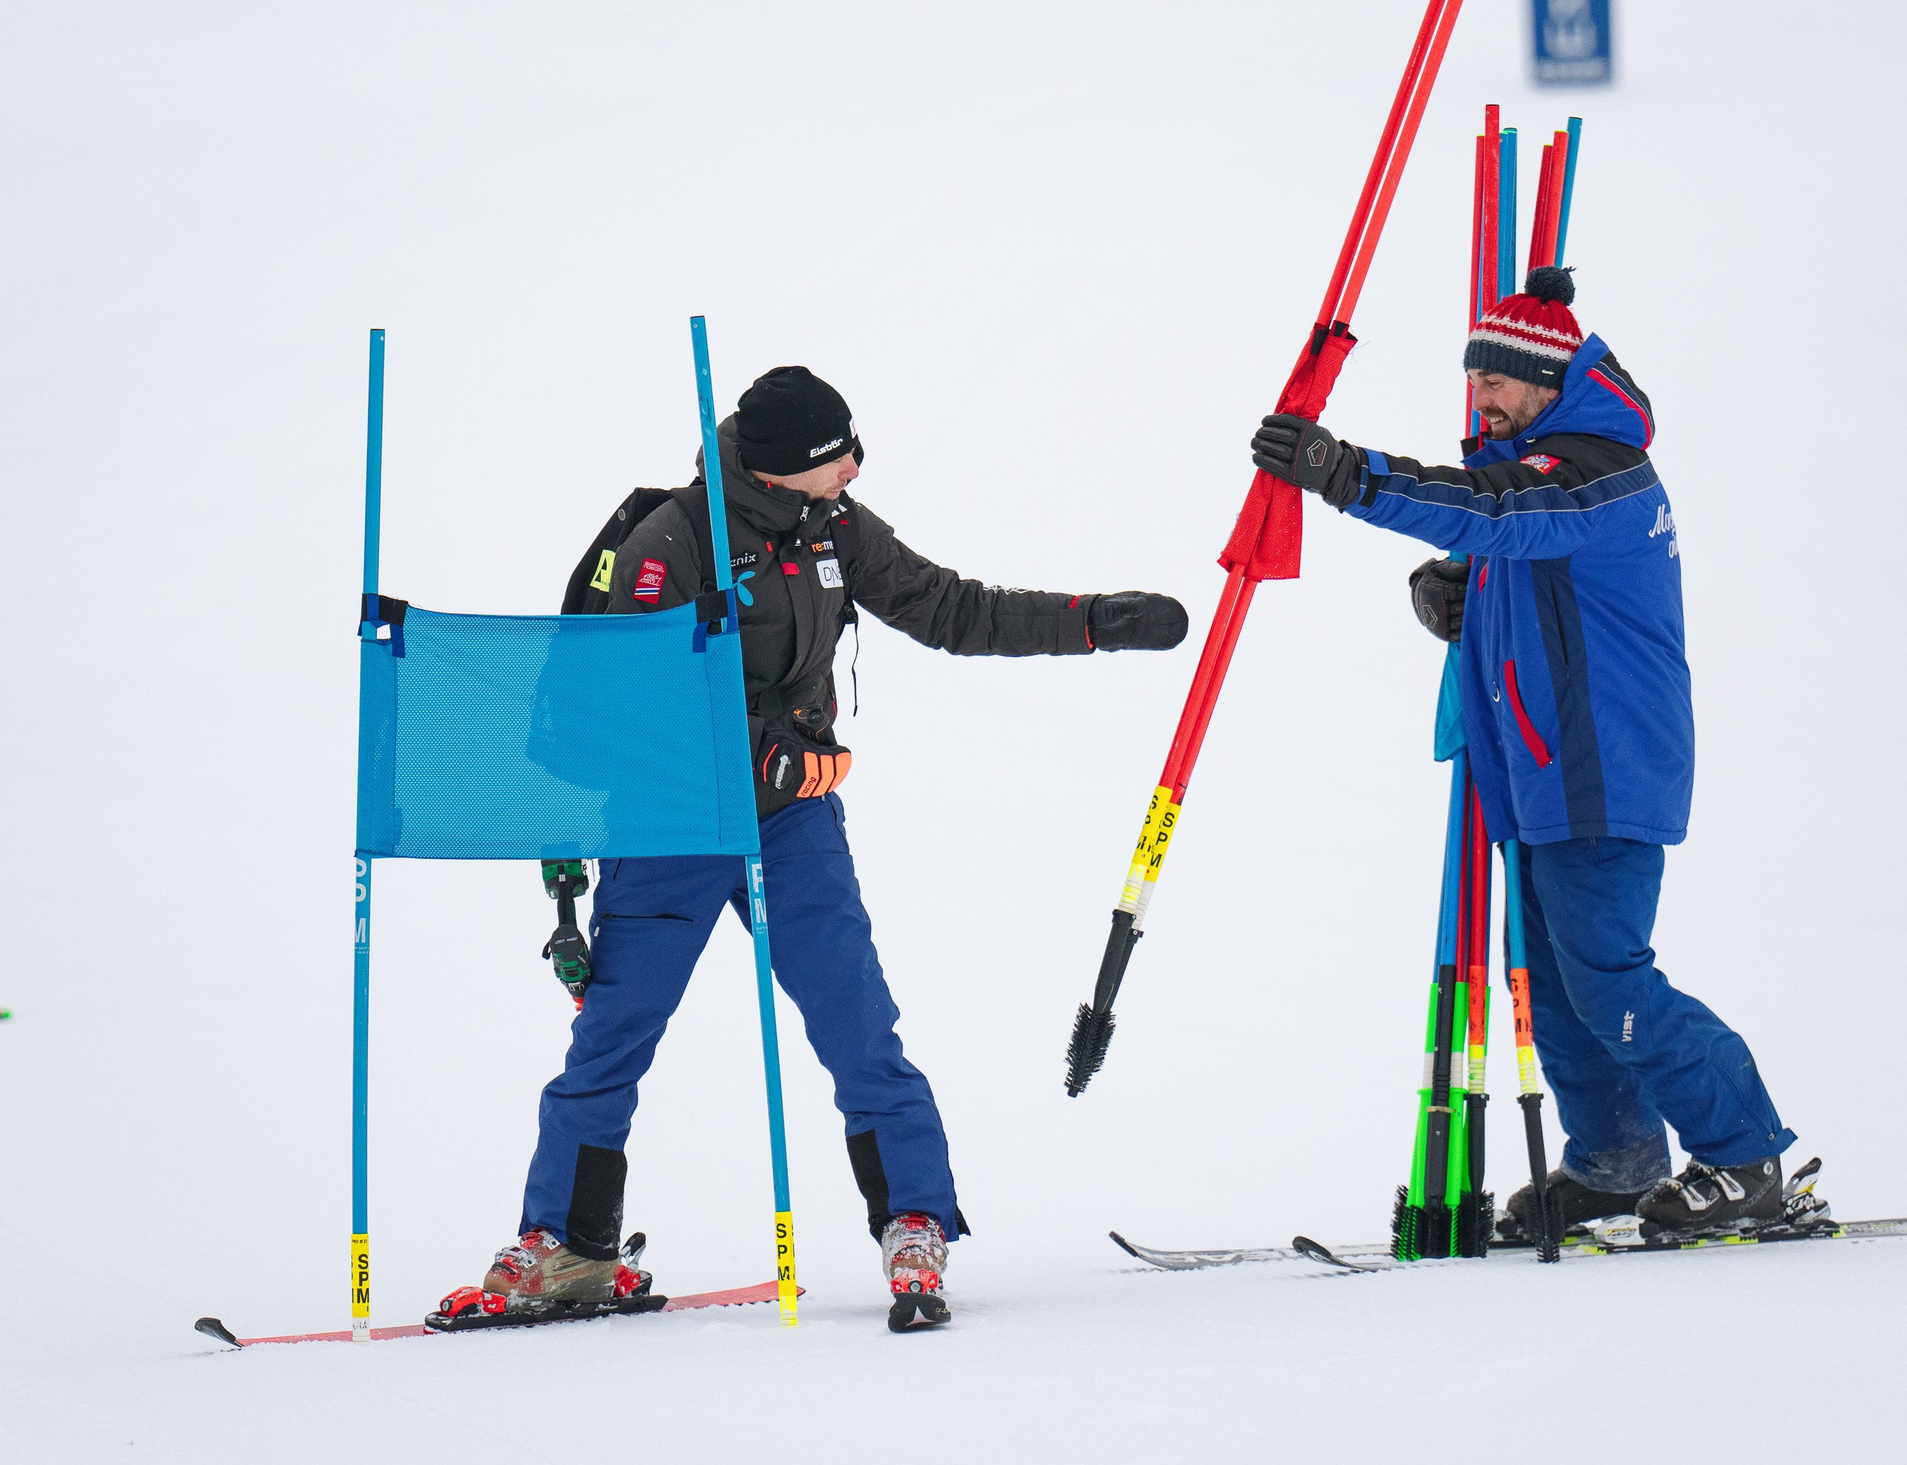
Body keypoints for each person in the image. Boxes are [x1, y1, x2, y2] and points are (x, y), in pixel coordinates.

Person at [441, 366, 1188, 1331]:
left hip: (791, 826)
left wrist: (1092, 621)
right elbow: (613, 705)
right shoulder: (674, 541)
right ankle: (567, 1246)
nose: (856, 465)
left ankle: (913, 1218)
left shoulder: (835, 527)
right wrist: (762, 751)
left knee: (856, 1018)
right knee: (612, 1036)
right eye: (840, 452)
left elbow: (950, 606)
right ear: (789, 467)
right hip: (671, 824)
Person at [1247, 267, 1796, 1233]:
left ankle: (1744, 1153)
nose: (1483, 398)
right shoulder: (1552, 467)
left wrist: (1347, 473)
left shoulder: (1601, 472)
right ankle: (1618, 1160)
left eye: (1498, 381)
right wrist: (1456, 594)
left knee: (1611, 981)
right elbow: (1510, 549)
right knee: (1552, 981)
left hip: (1603, 770)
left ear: (1548, 382)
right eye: (1477, 380)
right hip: (1545, 775)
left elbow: (1494, 508)